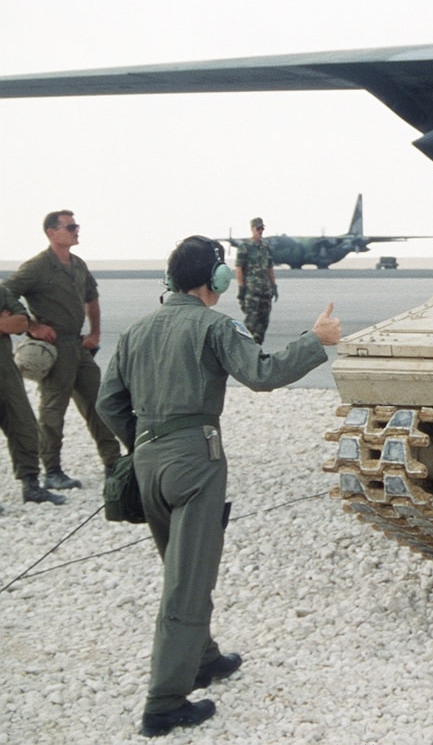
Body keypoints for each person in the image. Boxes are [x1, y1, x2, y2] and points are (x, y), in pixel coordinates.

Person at [96, 235, 340, 737]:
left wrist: (142, 445)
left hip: (148, 461)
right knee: (186, 583)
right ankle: (164, 703)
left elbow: (108, 402)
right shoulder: (214, 325)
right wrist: (318, 340)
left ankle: (203, 659)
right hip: (195, 463)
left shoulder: (138, 329)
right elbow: (263, 373)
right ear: (217, 279)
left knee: (183, 565)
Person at [3, 210, 122, 488]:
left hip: (78, 346)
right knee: (52, 411)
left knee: (100, 404)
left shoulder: (78, 265)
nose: (76, 231)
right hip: (53, 348)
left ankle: (113, 464)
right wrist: (32, 326)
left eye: (76, 226)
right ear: (52, 232)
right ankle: (52, 471)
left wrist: (95, 332)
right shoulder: (37, 267)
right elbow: (7, 292)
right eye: (70, 227)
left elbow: (92, 299)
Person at [0, 282, 66, 509]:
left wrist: (10, 322)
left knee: (24, 425)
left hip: (6, 373)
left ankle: (31, 485)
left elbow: (21, 322)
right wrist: (2, 322)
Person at [236, 216, 277, 344]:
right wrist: (241, 288)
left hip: (265, 290)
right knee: (251, 321)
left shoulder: (265, 247)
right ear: (252, 229)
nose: (260, 231)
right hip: (251, 291)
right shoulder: (245, 247)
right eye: (258, 228)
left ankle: (257, 348)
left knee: (264, 321)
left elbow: (270, 267)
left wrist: (273, 286)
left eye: (262, 229)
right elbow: (239, 268)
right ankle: (244, 348)